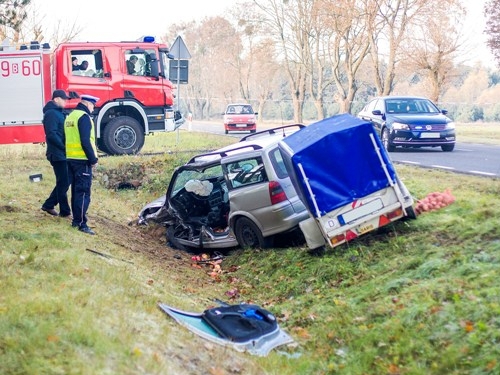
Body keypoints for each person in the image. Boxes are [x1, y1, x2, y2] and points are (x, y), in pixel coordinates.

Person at [64, 94, 99, 235]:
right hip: (82, 160)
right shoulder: (84, 117)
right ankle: (80, 223)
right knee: (83, 192)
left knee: (75, 192)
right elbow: (85, 140)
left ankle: (76, 220)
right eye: (93, 106)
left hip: (71, 158)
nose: (93, 108)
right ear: (87, 104)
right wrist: (93, 159)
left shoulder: (71, 116)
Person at [41, 89, 73, 218]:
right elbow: (52, 134)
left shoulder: (57, 113)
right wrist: (63, 147)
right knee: (64, 182)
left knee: (63, 181)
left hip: (60, 153)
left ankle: (51, 205)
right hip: (57, 154)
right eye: (63, 99)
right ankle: (63, 210)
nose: (66, 101)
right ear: (56, 99)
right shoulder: (52, 114)